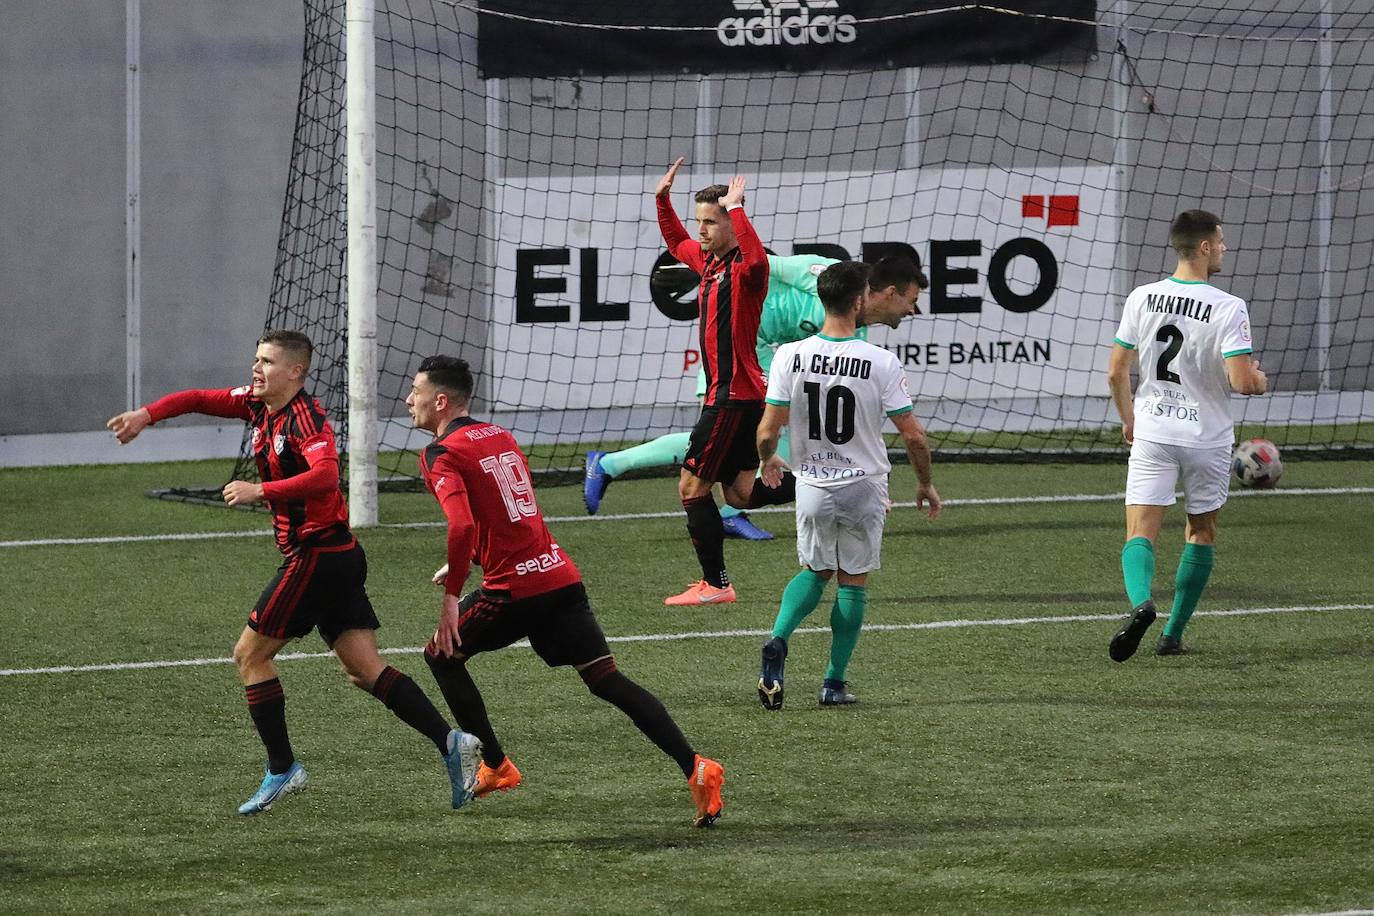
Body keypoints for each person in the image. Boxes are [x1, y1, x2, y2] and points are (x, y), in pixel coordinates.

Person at [106, 330, 481, 814]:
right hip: (339, 556)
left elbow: (326, 475)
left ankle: (282, 768)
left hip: (318, 557)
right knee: (365, 671)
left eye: (266, 361)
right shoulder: (257, 404)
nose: (255, 369)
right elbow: (199, 398)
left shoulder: (307, 420)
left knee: (249, 656)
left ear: (295, 372)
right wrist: (146, 414)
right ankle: (452, 744)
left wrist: (261, 491)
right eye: (255, 360)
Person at [406, 355, 725, 827]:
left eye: (415, 391)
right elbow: (507, 513)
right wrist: (473, 556)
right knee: (606, 679)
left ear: (440, 400)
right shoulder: (499, 435)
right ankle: (697, 767)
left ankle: (495, 764)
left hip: (513, 591)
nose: (408, 400)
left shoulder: (440, 453)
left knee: (441, 656)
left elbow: (461, 524)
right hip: (558, 577)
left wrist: (453, 593)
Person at [583, 254, 927, 544]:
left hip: (755, 351)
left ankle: (621, 469)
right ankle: (616, 467)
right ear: (891, 292)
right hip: (735, 335)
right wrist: (709, 269)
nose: (913, 311)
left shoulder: (856, 329)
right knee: (735, 436)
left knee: (736, 438)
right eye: (911, 300)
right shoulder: (828, 274)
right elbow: (764, 264)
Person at [754, 261, 941, 709]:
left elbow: (766, 431)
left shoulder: (788, 355)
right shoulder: (881, 361)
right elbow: (913, 435)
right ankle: (833, 683)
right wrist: (925, 484)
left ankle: (778, 638)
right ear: (859, 301)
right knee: (852, 582)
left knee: (814, 571)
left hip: (813, 484)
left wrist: (767, 460)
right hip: (863, 486)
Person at [1106, 210, 1268, 661]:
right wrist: (1260, 379)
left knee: (1139, 532)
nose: (1224, 247)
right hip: (1207, 437)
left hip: (1154, 429)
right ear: (1203, 248)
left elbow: (1117, 370)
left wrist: (1128, 419)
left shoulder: (1142, 297)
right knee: (1201, 530)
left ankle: (1141, 605)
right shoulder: (1228, 306)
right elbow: (1241, 381)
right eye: (1220, 241)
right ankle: (1172, 635)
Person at [652, 156, 797, 606]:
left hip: (732, 399)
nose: (701, 231)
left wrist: (737, 209)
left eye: (710, 222)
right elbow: (676, 240)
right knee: (742, 493)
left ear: (732, 223)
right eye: (701, 221)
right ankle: (827, 483)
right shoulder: (709, 263)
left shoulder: (749, 270)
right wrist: (662, 199)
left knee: (691, 488)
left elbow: (755, 258)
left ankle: (715, 585)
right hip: (737, 397)